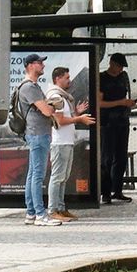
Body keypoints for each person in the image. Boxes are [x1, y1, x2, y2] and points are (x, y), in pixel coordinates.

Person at [42, 66, 94, 225]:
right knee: (57, 177)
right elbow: (60, 121)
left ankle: (61, 207)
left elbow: (66, 118)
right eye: (66, 78)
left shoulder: (63, 97)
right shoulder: (56, 97)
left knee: (63, 177)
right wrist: (79, 119)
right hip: (60, 142)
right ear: (57, 78)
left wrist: (76, 113)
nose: (69, 81)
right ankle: (52, 210)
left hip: (66, 141)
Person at [17, 55, 55, 224]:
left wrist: (49, 106)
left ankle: (31, 212)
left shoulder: (30, 86)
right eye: (40, 62)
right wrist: (52, 106)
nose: (43, 65)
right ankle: (40, 214)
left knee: (33, 174)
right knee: (38, 175)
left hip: (36, 133)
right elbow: (47, 111)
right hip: (38, 133)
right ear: (31, 66)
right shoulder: (29, 87)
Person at [95, 52, 134, 202]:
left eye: (122, 67)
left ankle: (117, 190)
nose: (120, 69)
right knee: (107, 157)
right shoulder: (102, 78)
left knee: (121, 157)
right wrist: (121, 102)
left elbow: (125, 96)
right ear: (111, 63)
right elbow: (99, 103)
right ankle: (105, 192)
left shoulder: (123, 77)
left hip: (122, 121)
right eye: (119, 66)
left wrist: (128, 103)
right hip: (107, 122)